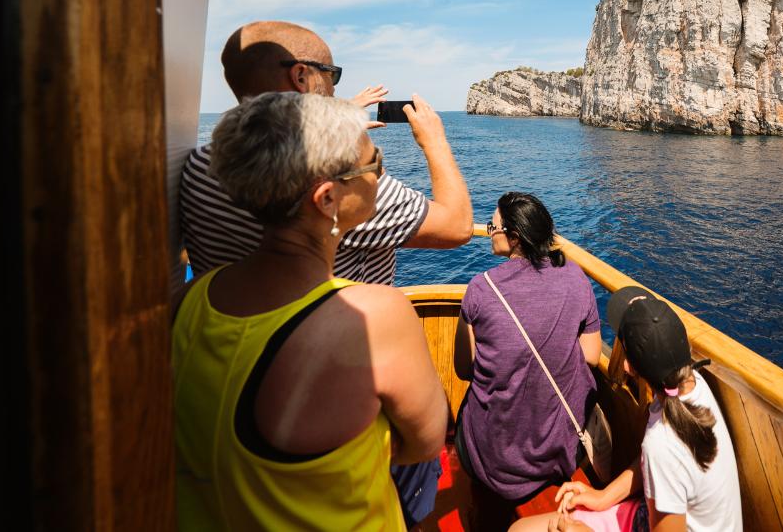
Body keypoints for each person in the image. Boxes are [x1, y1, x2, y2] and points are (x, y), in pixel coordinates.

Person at [172, 92, 447, 530]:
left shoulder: (194, 298)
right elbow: (425, 443)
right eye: (374, 165)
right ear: (327, 200)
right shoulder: (373, 316)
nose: (380, 174)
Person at [179, 19, 473, 286]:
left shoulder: (197, 165)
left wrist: (332, 129)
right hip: (336, 334)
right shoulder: (338, 184)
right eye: (332, 74)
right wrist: (434, 141)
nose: (333, 88)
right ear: (301, 76)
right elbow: (457, 226)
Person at [510, 286, 742, 532]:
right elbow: (652, 465)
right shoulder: (689, 384)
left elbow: (661, 460)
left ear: (629, 366)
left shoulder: (662, 443)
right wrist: (603, 497)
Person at [453, 193, 602, 529]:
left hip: (495, 461)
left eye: (493, 226)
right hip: (559, 448)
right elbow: (592, 356)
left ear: (515, 237)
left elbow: (464, 369)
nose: (489, 231)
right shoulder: (576, 278)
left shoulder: (480, 288)